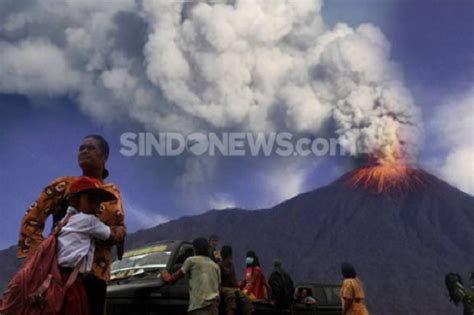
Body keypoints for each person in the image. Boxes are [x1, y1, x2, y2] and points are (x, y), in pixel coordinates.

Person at [17, 134, 126, 315]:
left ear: (104, 156)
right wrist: (42, 258)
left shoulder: (112, 193)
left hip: (96, 275)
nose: (84, 151)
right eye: (81, 148)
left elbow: (120, 225)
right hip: (62, 273)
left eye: (91, 148)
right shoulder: (64, 185)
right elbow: (32, 219)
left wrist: (118, 233)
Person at [57, 176, 118, 314]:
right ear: (75, 201)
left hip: (58, 280)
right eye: (91, 200)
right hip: (73, 283)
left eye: (98, 202)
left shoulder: (65, 221)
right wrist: (119, 230)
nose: (95, 205)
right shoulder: (90, 220)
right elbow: (110, 235)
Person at [161, 237, 221, 314]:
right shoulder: (215, 266)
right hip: (214, 307)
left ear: (194, 249)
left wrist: (164, 274)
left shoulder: (191, 260)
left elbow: (173, 279)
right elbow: (218, 287)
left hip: (199, 306)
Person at [219, 245, 253, 315]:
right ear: (229, 255)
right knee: (231, 296)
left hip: (232, 288)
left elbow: (234, 280)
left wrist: (239, 286)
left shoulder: (231, 265)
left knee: (245, 299)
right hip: (223, 288)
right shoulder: (219, 265)